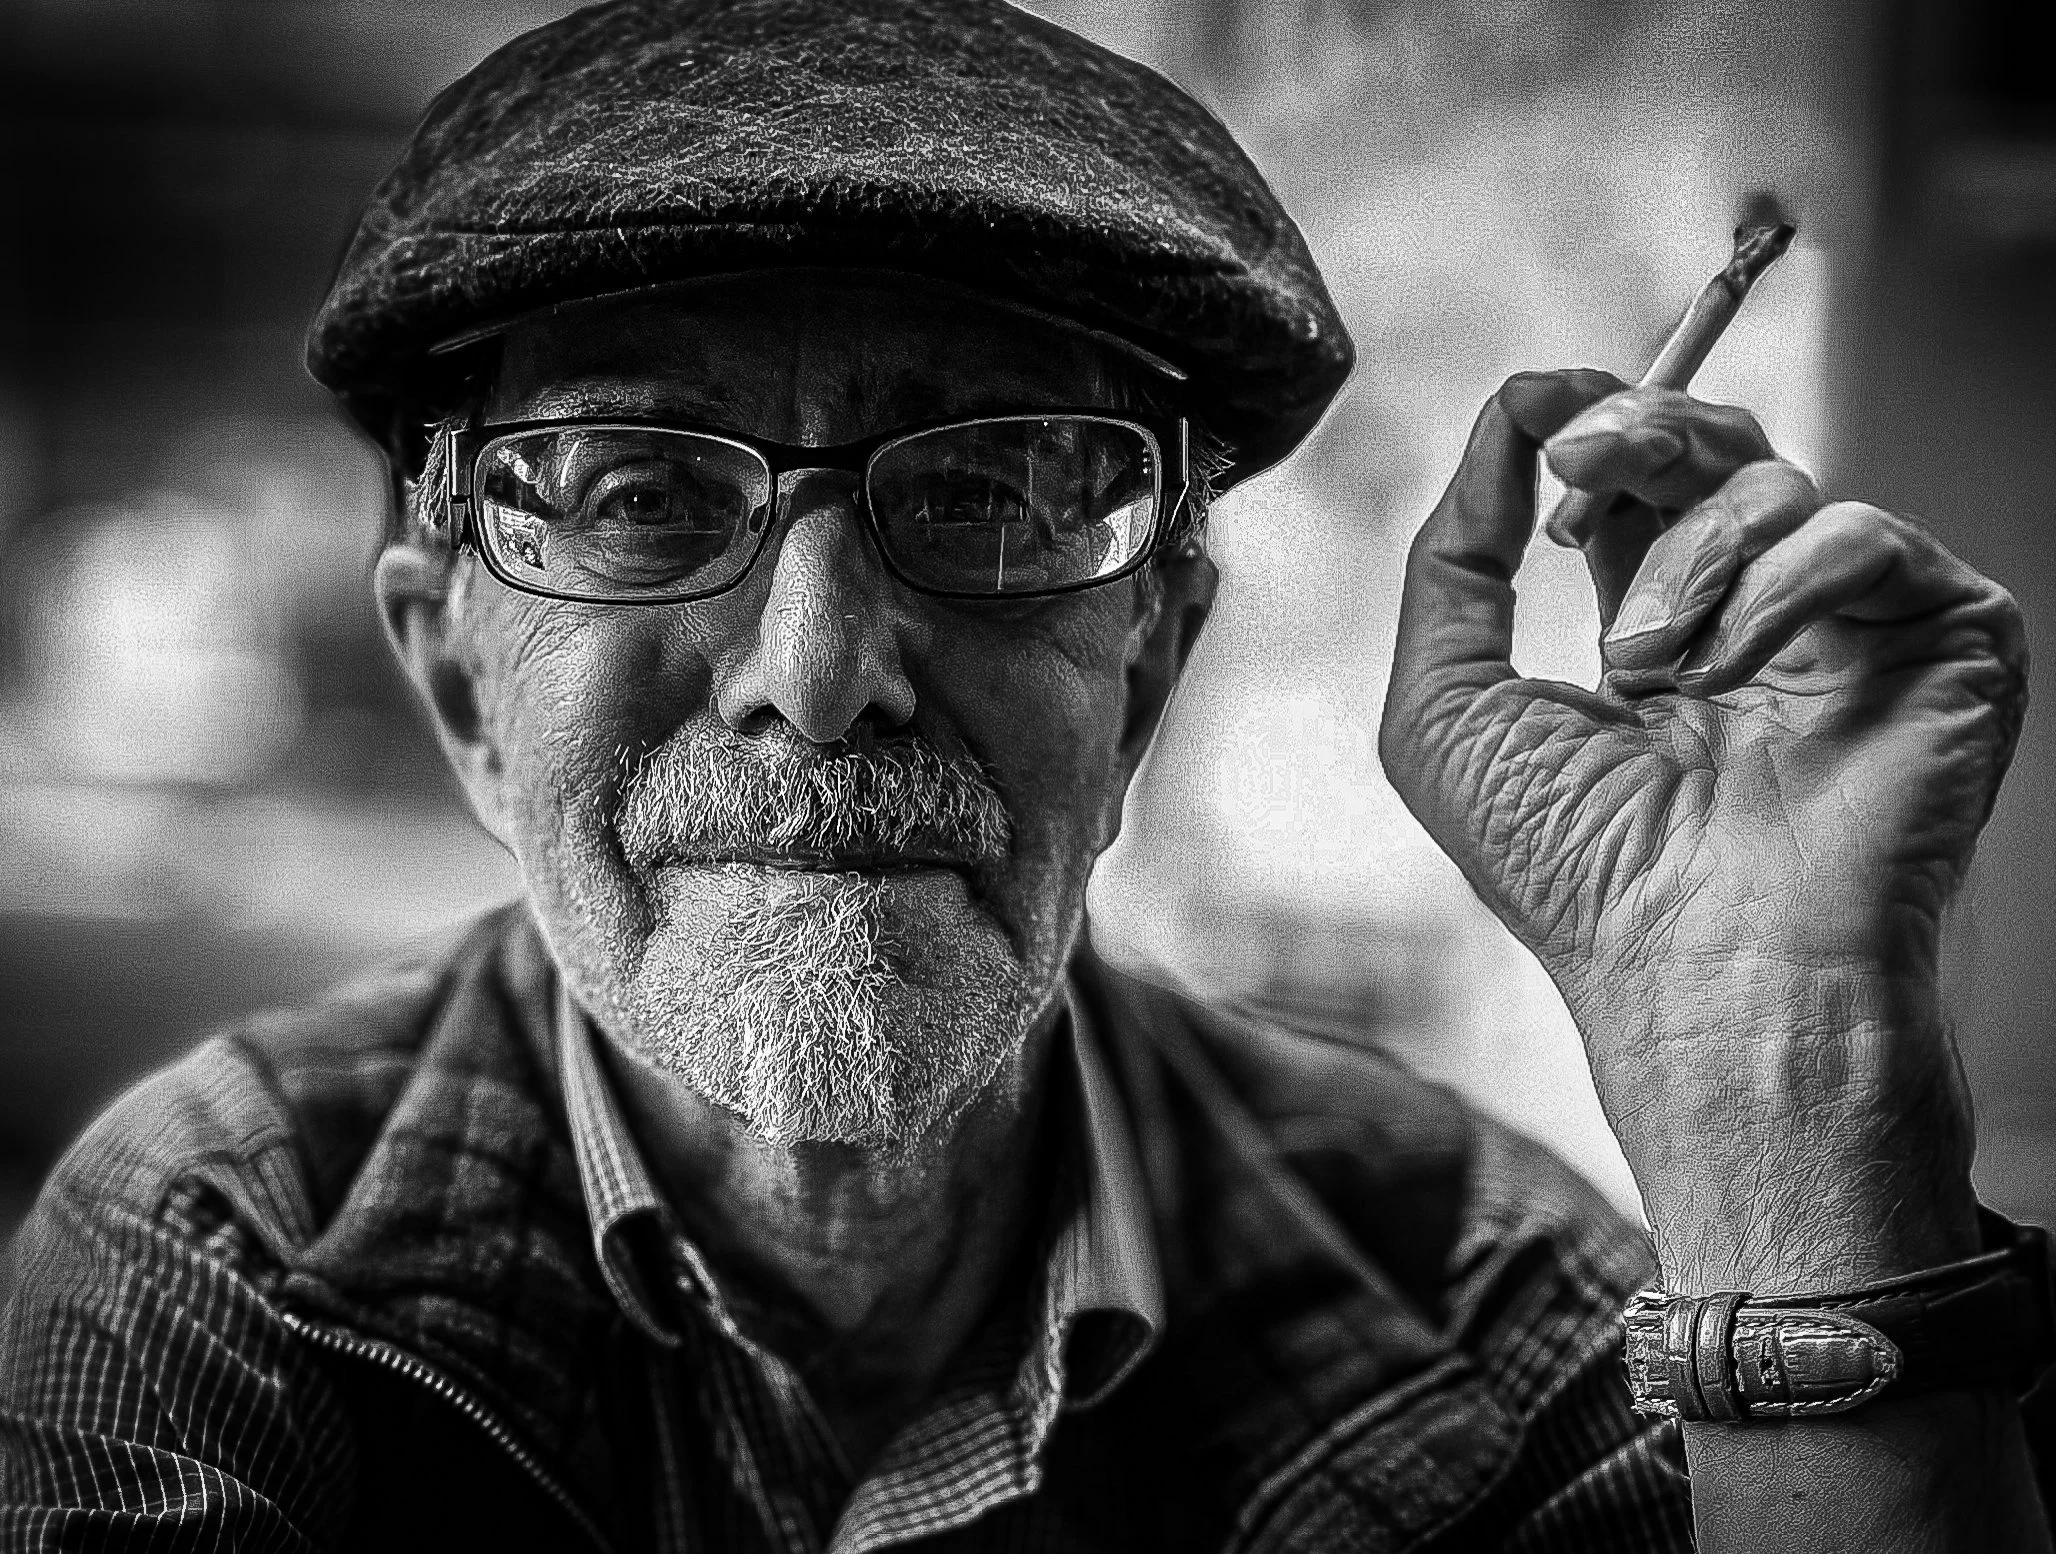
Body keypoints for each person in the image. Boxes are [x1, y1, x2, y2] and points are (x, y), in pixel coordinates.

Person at [2, 1, 2050, 1549]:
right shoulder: (226, 1246)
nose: (820, 679)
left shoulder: (1479, 1307)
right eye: (635, 490)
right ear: (459, 685)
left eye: (990, 490)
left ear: (1143, 664)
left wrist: (1769, 1063)